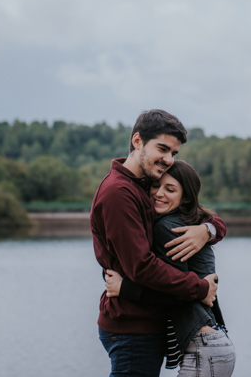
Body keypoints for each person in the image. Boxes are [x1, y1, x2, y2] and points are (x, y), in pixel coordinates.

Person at [91, 110, 228, 377]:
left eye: (173, 153)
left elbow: (200, 213)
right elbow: (141, 266)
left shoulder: (146, 184)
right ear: (138, 141)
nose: (168, 159)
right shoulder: (119, 193)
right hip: (131, 326)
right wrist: (199, 288)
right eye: (162, 149)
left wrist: (207, 230)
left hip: (147, 322)